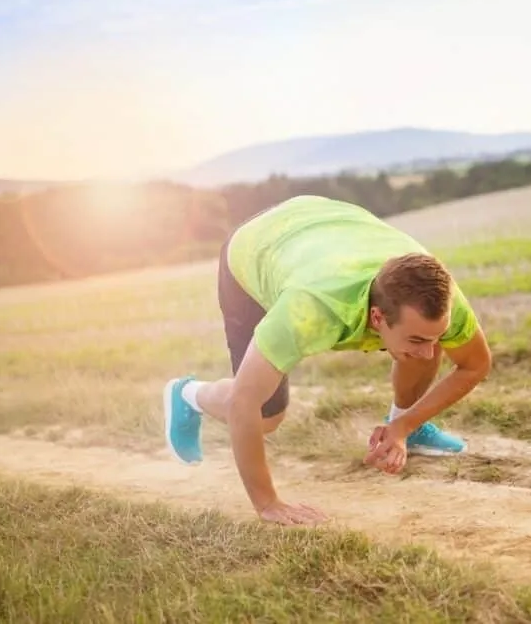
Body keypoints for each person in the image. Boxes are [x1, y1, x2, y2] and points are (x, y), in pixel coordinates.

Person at [162, 194, 492, 527]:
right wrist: (267, 503)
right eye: (418, 338)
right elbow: (243, 403)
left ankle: (410, 425)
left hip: (325, 224)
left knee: (422, 349)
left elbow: (476, 364)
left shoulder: (440, 299)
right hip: (257, 247)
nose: (429, 349)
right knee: (265, 416)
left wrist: (402, 426)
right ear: (377, 318)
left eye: (438, 335)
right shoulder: (311, 309)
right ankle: (188, 393)